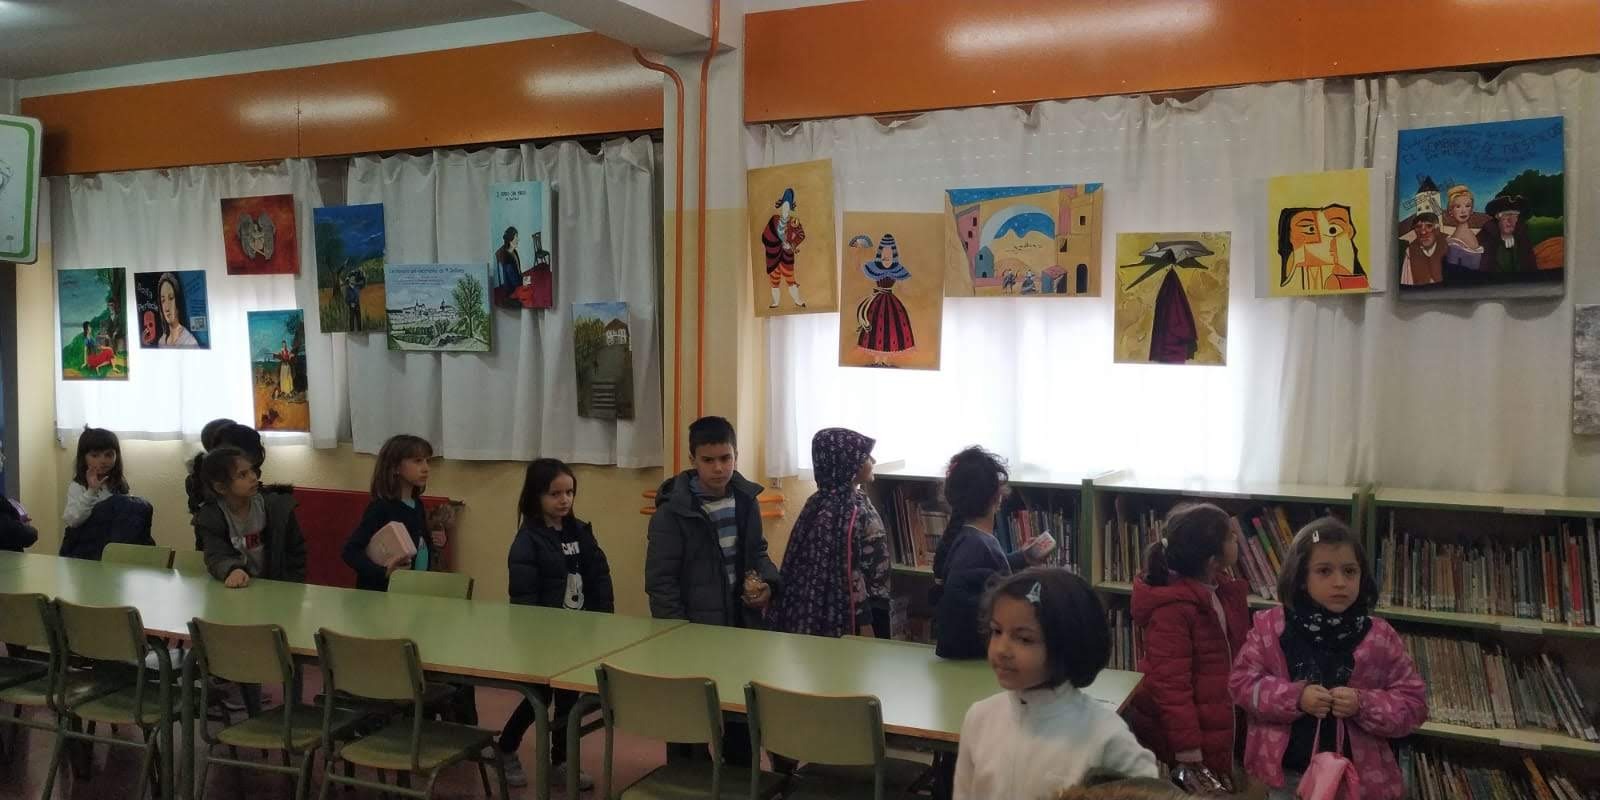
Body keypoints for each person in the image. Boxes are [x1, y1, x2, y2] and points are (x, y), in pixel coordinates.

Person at [1230, 518, 1426, 800]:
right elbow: (1242, 684)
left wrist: (1363, 704)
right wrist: (1296, 697)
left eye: (1350, 571)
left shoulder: (1380, 637)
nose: (1340, 582)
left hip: (1358, 781)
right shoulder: (1270, 628)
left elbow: (1414, 705)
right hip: (1288, 777)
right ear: (1301, 577)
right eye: (1324, 571)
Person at [953, 568, 1158, 799]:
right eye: (997, 631)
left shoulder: (1105, 736)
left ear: (1066, 644)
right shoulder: (980, 718)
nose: (1001, 649)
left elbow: (1152, 792)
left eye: (1024, 639)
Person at [646, 415, 780, 765]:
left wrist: (768, 585)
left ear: (736, 455)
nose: (719, 468)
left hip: (739, 627)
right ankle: (686, 778)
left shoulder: (746, 500)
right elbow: (661, 582)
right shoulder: (672, 514)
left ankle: (739, 777)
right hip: (692, 632)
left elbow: (757, 553)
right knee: (689, 723)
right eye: (708, 460)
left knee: (739, 718)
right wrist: (676, 632)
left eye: (725, 458)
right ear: (692, 460)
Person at [495, 459, 613, 790]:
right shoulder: (528, 540)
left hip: (577, 634)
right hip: (544, 639)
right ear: (536, 496)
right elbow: (523, 597)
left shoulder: (581, 532)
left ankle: (560, 762)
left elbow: (599, 577)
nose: (564, 500)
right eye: (555, 494)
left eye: (569, 492)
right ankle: (506, 748)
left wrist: (604, 619)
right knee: (538, 697)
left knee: (568, 702)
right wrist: (532, 637)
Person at [1123, 504, 1250, 791]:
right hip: (1190, 738)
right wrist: (1188, 750)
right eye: (1231, 536)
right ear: (1212, 560)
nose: (1237, 539)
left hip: (1216, 721)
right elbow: (1171, 684)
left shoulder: (1221, 590)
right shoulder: (1173, 610)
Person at [767, 428, 891, 639]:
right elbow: (849, 571)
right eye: (866, 456)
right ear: (847, 464)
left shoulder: (841, 501)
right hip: (859, 613)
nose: (873, 460)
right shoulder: (841, 512)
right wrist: (864, 621)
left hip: (874, 600)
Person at [930, 446, 1047, 660]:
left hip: (969, 654)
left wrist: (1022, 558)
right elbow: (971, 598)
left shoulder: (965, 537)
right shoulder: (979, 545)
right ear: (997, 497)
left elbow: (979, 576)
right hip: (977, 659)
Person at [192, 445, 306, 586]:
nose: (253, 477)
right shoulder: (211, 517)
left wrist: (292, 583)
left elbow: (296, 551)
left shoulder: (277, 508)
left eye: (252, 470)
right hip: (241, 587)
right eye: (242, 475)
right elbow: (216, 555)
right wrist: (232, 570)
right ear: (221, 487)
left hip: (276, 587)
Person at [342, 434, 445, 592]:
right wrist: (383, 572)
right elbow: (350, 551)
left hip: (411, 591)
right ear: (395, 467)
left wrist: (434, 541)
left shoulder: (418, 505)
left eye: (427, 461)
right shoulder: (381, 507)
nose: (426, 468)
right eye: (418, 461)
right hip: (383, 596)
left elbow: (420, 542)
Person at [59, 426, 154, 560]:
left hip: (111, 545)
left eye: (108, 455)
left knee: (140, 507)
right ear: (84, 457)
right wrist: (91, 491)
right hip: (83, 547)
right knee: (119, 503)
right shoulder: (78, 485)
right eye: (95, 455)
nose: (103, 460)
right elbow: (72, 520)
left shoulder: (119, 484)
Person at [851, 234, 917, 367]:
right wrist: (857, 254)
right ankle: (877, 361)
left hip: (892, 303)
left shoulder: (897, 269)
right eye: (884, 252)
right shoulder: (874, 267)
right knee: (875, 330)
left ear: (894, 253)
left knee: (890, 330)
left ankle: (885, 361)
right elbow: (859, 269)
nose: (886, 255)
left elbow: (904, 287)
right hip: (877, 302)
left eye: (889, 252)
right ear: (880, 252)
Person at [761, 188, 807, 309]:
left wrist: (791, 244)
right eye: (784, 206)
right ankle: (776, 302)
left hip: (786, 256)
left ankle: (797, 301)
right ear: (781, 206)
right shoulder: (774, 220)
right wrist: (775, 243)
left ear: (790, 207)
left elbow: (801, 235)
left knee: (790, 279)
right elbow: (765, 235)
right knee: (774, 281)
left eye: (788, 206)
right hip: (773, 256)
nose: (785, 209)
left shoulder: (794, 221)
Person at [1479, 194, 1537, 273]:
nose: (1511, 221)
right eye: (1506, 215)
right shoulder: (1486, 237)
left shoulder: (1523, 237)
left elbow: (1531, 268)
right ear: (1497, 217)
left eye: (1515, 216)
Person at [1441, 185, 1484, 273]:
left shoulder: (1469, 234)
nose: (1463, 211)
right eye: (1458, 206)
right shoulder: (1455, 240)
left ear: (1471, 210)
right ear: (1450, 211)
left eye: (1467, 206)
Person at [1400, 212, 1446, 286]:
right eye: (1418, 227)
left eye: (1429, 226)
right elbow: (1407, 284)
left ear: (1437, 228)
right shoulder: (1410, 251)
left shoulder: (1450, 245)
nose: (1423, 232)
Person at [155, 272, 200, 347]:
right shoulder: (161, 342)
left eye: (171, 298)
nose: (166, 308)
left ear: (178, 301)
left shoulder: (189, 341)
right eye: (163, 300)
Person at [494, 226, 521, 306]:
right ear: (510, 239)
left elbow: (518, 272)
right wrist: (524, 281)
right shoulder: (507, 259)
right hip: (512, 292)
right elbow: (515, 282)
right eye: (516, 237)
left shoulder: (514, 252)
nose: (518, 239)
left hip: (516, 284)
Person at [342, 266, 367, 331]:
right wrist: (350, 303)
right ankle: (351, 331)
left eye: (354, 279)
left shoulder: (357, 286)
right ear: (349, 280)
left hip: (357, 304)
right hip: (351, 306)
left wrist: (364, 276)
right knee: (352, 319)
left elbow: (364, 284)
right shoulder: (347, 289)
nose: (353, 279)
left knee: (359, 318)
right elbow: (346, 299)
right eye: (351, 279)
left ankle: (360, 331)